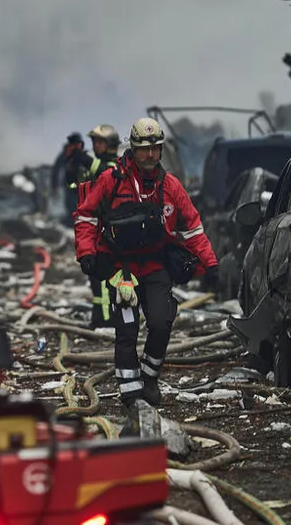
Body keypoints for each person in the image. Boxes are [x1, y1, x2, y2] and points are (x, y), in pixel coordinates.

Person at [73, 117, 218, 422]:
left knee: (162, 321)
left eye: (155, 148)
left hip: (155, 264)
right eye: (144, 149)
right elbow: (86, 216)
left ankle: (149, 376)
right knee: (126, 328)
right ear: (133, 149)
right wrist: (86, 253)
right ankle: (130, 393)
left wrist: (211, 264)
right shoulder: (112, 181)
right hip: (120, 268)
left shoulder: (171, 187)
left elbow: (191, 227)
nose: (151, 155)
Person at [81, 124, 121, 328]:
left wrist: (85, 159)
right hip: (94, 229)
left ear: (110, 144)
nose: (95, 145)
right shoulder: (97, 167)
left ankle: (106, 321)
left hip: (108, 231)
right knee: (95, 278)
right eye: (94, 141)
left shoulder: (115, 166)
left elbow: (105, 173)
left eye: (99, 141)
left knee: (104, 279)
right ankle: (100, 316)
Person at [52, 132, 92, 227]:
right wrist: (55, 186)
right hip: (71, 184)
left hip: (79, 184)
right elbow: (56, 170)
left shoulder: (80, 154)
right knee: (71, 202)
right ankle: (71, 221)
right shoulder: (66, 154)